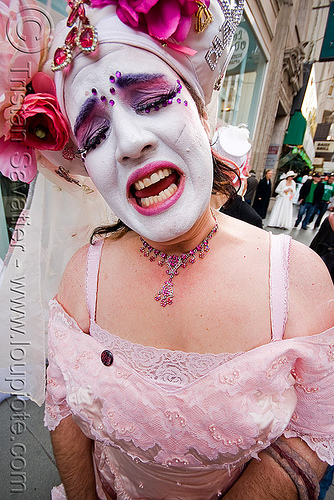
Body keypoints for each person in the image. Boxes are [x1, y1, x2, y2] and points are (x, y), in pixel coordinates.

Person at [1, 2, 333, 500]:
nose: (130, 142)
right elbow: (64, 406)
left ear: (202, 111)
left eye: (152, 101)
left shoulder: (298, 278)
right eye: (95, 133)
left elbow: (310, 434)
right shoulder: (81, 276)